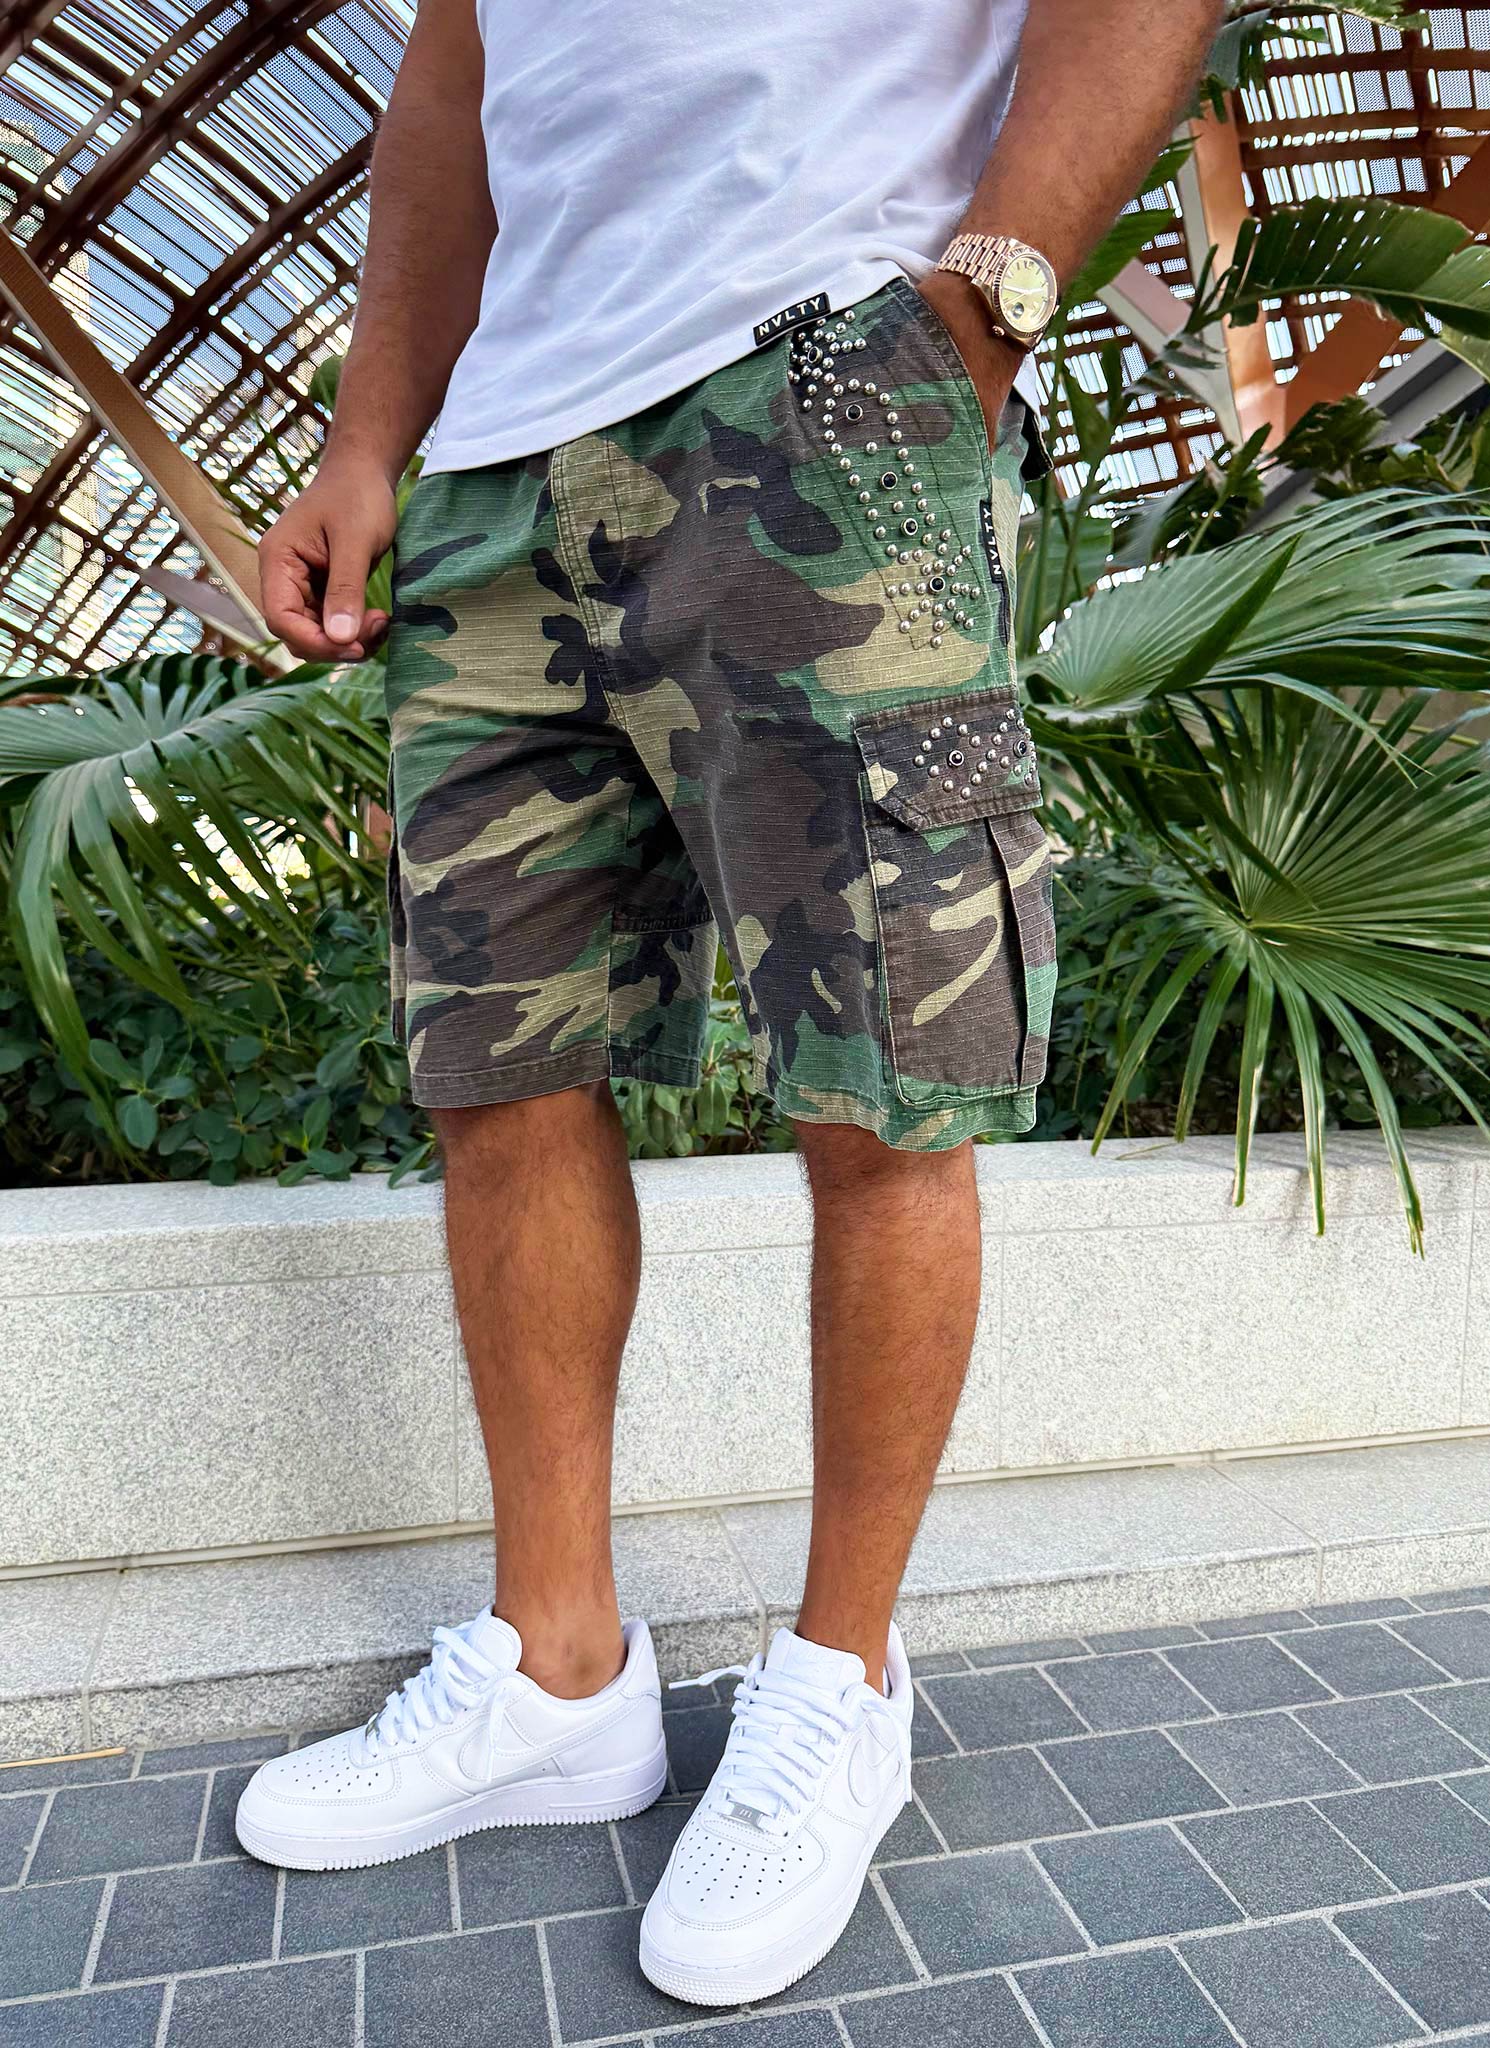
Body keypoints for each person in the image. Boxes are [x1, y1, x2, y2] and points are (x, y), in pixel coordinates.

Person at [238, 0, 1222, 2005]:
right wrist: (364, 438)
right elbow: (455, 81)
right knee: (497, 1072)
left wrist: (980, 309)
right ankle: (557, 1676)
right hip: (498, 467)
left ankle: (836, 1684)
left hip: (816, 382)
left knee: (886, 1074)